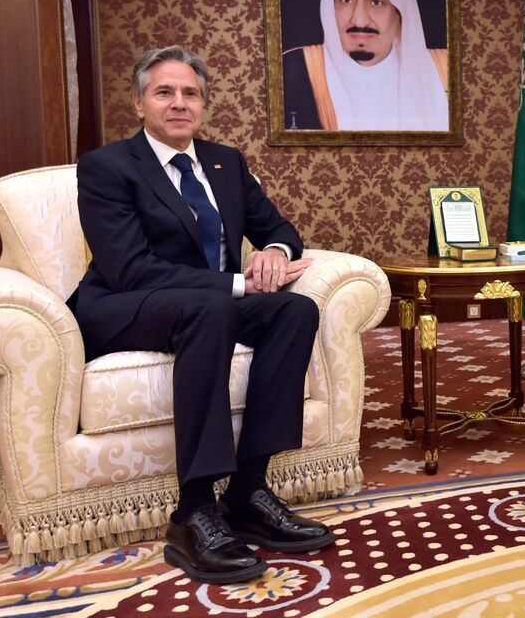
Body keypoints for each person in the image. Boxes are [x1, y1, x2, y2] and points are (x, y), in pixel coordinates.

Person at [69, 45, 333, 584]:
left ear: (204, 105)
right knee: (214, 306)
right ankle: (192, 512)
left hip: (206, 305)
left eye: (190, 93)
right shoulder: (107, 166)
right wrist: (239, 283)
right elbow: (130, 269)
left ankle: (249, 491)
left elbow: (279, 228)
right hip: (122, 305)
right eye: (164, 92)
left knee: (294, 309)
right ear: (139, 103)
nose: (179, 103)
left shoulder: (225, 162)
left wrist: (274, 253)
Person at [282, 0, 449, 131]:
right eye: (346, 0)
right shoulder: (294, 70)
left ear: (400, 11)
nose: (359, 19)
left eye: (376, 2)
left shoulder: (443, 71)